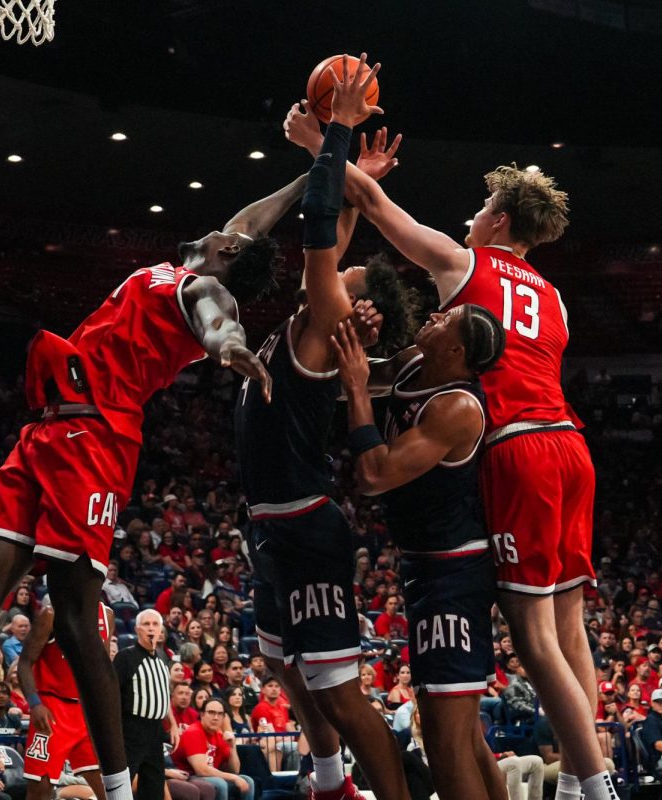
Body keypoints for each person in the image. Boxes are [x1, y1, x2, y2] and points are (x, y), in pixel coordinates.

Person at [0, 158, 301, 800]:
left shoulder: (207, 289)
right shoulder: (195, 265)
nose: (222, 230)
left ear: (228, 252)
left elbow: (219, 323)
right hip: (46, 427)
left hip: (96, 438)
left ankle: (119, 790)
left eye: (227, 236)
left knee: (74, 618)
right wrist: (320, 168)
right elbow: (250, 224)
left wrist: (231, 348)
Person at [288, 68, 615, 800]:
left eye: (480, 208)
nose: (471, 217)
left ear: (498, 221)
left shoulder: (464, 263)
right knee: (570, 629)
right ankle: (588, 778)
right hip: (572, 445)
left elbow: (371, 204)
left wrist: (322, 144)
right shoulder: (556, 300)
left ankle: (594, 788)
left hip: (519, 448)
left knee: (533, 640)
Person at [236, 56, 414, 800]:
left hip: (305, 522)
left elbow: (317, 237)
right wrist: (358, 178)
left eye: (351, 277)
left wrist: (334, 136)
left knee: (340, 692)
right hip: (273, 521)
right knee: (281, 661)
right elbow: (335, 233)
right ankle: (333, 781)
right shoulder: (323, 316)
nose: (342, 269)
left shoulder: (322, 324)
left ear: (356, 307)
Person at [333, 295, 509, 800]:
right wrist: (359, 343)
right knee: (466, 740)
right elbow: (364, 371)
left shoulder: (456, 406)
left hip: (452, 573)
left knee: (446, 745)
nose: (433, 315)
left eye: (445, 320)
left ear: (455, 351)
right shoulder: (415, 361)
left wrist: (355, 383)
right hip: (425, 566)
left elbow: (373, 474)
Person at [18, 604, 113, 800]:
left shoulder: (107, 614)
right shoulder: (51, 613)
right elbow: (25, 662)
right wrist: (35, 703)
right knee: (41, 789)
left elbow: (101, 668)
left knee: (108, 787)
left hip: (87, 710)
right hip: (52, 709)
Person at [114, 609, 179, 800]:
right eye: (146, 624)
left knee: (154, 786)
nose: (151, 628)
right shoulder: (125, 657)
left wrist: (173, 724)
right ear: (137, 629)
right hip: (131, 729)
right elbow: (112, 696)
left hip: (155, 731)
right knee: (123, 783)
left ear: (161, 630)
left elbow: (163, 696)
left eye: (155, 624)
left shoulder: (162, 660)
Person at [170, 699, 253, 800]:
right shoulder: (193, 732)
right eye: (211, 713)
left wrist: (232, 747)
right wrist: (234, 778)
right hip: (187, 776)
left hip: (207, 775)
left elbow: (235, 770)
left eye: (219, 714)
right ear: (202, 714)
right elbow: (201, 770)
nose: (215, 717)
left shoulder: (219, 735)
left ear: (223, 717)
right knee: (220, 784)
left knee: (248, 780)